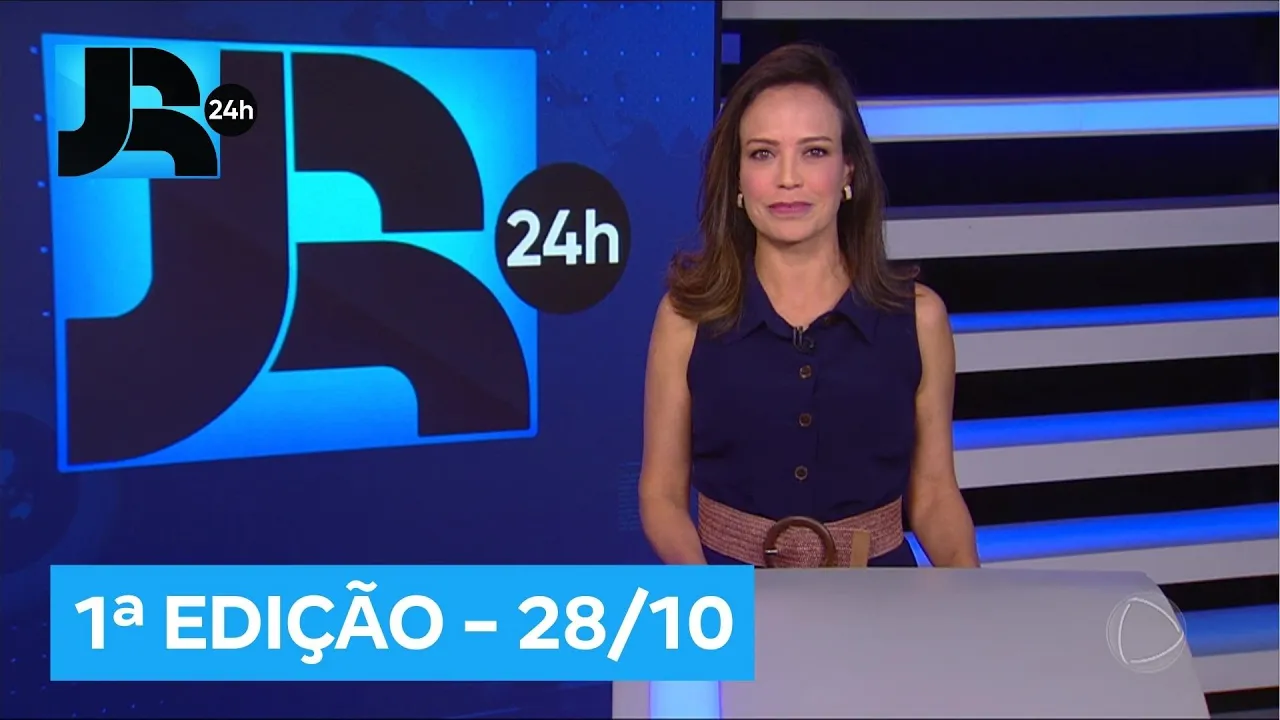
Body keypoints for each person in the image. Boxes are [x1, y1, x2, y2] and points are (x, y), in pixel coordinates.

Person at [638, 42, 980, 569]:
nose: (788, 178)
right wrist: (710, 599)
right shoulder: (685, 317)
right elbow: (661, 496)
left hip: (881, 600)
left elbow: (934, 495)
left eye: (814, 152)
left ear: (848, 172)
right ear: (737, 178)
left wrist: (973, 599)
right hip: (729, 594)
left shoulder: (920, 318)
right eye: (763, 153)